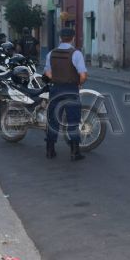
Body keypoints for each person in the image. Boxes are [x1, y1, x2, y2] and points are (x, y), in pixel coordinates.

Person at [44, 28, 87, 162]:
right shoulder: (76, 54)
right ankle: (75, 152)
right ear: (73, 38)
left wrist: (56, 79)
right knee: (73, 120)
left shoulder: (51, 53)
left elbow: (48, 73)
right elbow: (83, 75)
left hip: (55, 89)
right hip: (70, 89)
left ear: (60, 38)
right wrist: (79, 83)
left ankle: (50, 150)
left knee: (53, 119)